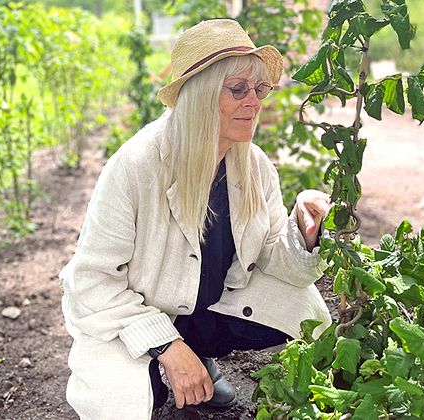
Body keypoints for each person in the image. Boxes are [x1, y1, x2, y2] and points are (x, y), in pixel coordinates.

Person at [59, 19, 332, 419]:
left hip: (207, 306)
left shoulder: (253, 164)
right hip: (134, 313)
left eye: (259, 90)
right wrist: (167, 347)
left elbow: (277, 261)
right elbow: (92, 281)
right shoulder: (137, 165)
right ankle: (165, 361)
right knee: (127, 403)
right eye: (237, 89)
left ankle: (200, 354)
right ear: (200, 94)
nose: (254, 102)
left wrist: (305, 231)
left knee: (306, 309)